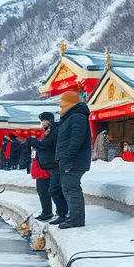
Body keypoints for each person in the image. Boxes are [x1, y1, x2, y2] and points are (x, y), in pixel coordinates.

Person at [54, 91, 91, 229]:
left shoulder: (77, 117)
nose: (59, 103)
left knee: (72, 189)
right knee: (67, 188)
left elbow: (77, 139)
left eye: (62, 101)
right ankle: (71, 216)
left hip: (73, 160)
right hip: (68, 159)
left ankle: (76, 219)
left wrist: (68, 157)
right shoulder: (69, 117)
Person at [26, 112, 67, 222]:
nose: (42, 124)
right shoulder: (47, 132)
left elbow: (46, 145)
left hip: (51, 165)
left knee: (53, 190)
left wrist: (32, 142)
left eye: (43, 121)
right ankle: (48, 211)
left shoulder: (54, 130)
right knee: (43, 190)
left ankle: (61, 213)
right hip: (43, 165)